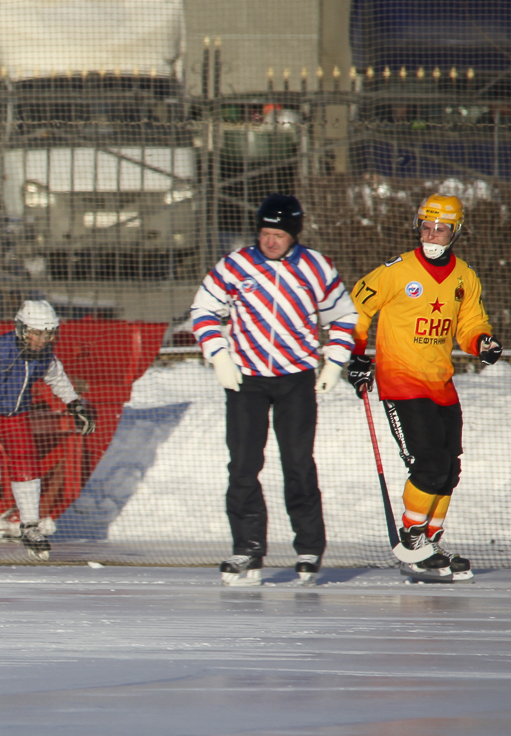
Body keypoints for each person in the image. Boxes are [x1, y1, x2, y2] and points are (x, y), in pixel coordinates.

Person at [189, 193, 357, 586]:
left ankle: (309, 548)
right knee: (243, 465)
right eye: (265, 233)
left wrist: (334, 361)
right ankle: (247, 549)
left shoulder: (315, 266)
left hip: (295, 378)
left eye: (278, 235)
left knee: (298, 463)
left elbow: (344, 316)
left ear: (293, 234)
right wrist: (220, 356)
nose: (270, 241)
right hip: (245, 379)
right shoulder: (236, 265)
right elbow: (203, 309)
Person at [346, 192, 501, 583]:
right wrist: (356, 355)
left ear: (456, 232)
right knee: (429, 465)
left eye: (441, 229)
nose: (432, 235)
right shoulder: (396, 271)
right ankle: (412, 539)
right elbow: (357, 308)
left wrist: (481, 342)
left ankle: (430, 543)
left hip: (441, 383)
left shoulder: (464, 276)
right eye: (426, 227)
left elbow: (470, 322)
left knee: (449, 468)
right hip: (401, 380)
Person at [0, 300, 95, 562]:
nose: (41, 340)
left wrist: (75, 405)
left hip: (14, 410)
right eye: (36, 333)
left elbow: (57, 378)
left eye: (47, 334)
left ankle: (30, 527)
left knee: (26, 461)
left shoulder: (44, 355)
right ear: (22, 329)